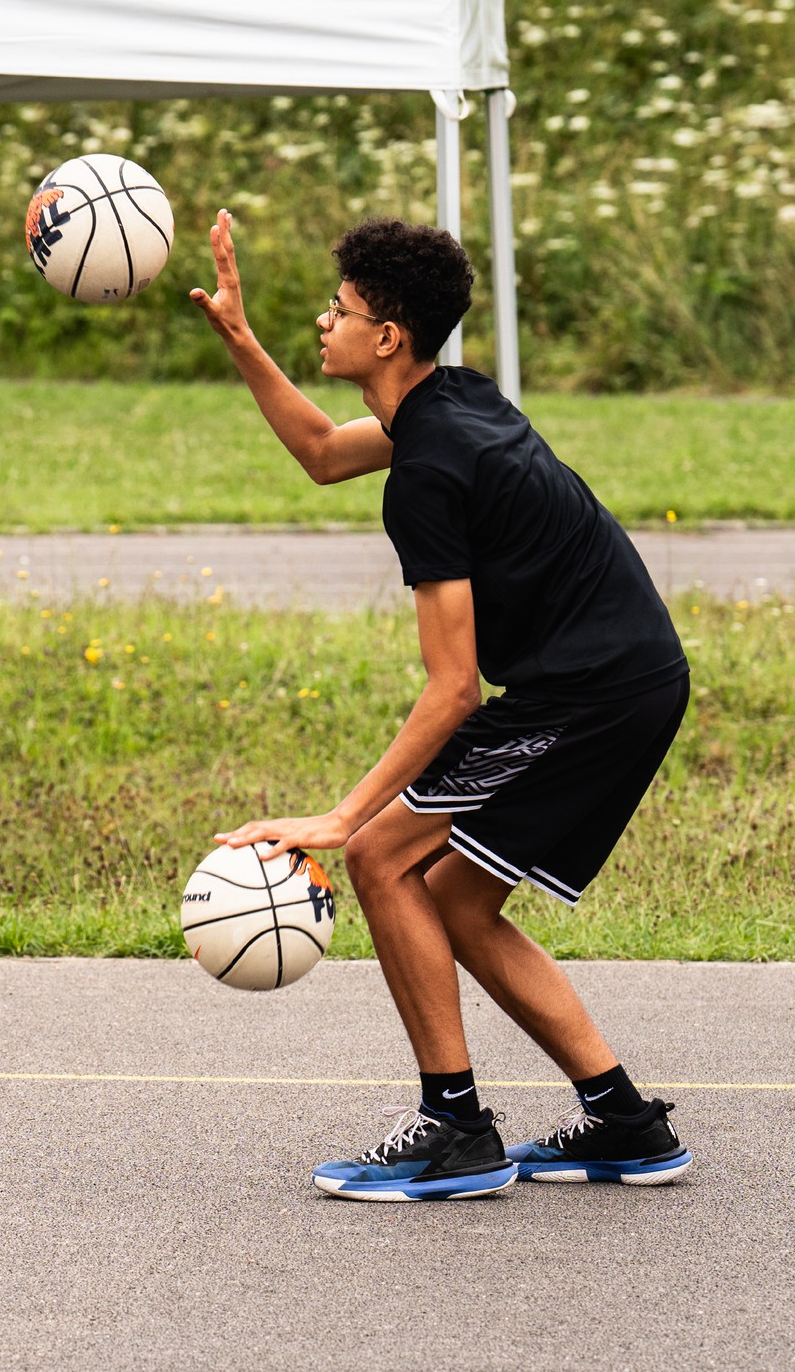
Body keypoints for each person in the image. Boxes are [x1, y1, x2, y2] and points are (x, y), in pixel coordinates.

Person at [190, 210, 693, 1202]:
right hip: (615, 674)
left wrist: (342, 817)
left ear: (387, 337)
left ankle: (455, 1127)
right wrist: (243, 345)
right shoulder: (446, 403)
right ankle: (625, 1120)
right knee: (455, 898)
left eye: (338, 310)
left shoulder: (430, 465)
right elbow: (325, 455)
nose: (322, 322)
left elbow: (454, 687)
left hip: (589, 690)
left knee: (381, 855)